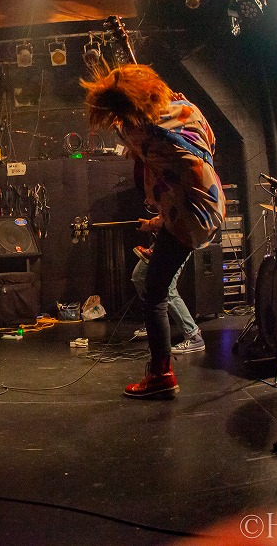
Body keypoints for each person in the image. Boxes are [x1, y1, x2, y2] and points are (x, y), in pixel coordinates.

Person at [83, 64, 224, 398]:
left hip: (191, 215)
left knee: (155, 290)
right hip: (207, 202)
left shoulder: (140, 132)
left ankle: (161, 375)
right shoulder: (188, 110)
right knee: (153, 281)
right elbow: (207, 144)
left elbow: (127, 131)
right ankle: (161, 370)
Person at [131, 237, 205, 354]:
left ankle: (194, 336)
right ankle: (154, 322)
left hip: (180, 242)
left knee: (167, 289)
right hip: (164, 241)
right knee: (139, 276)